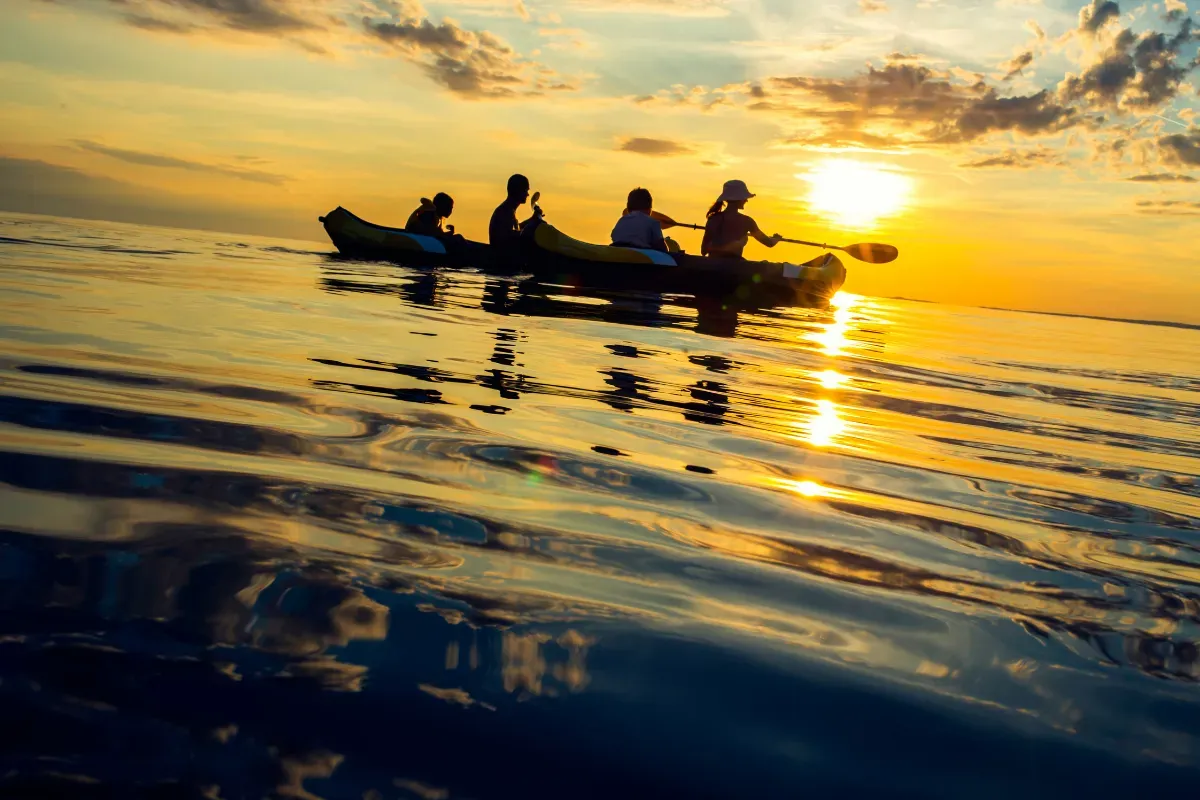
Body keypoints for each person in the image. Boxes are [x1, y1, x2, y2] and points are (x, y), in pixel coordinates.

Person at [701, 179, 781, 259]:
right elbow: (769, 243)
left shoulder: (713, 219)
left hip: (712, 267)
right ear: (739, 199)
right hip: (733, 268)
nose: (746, 200)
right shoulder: (747, 222)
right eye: (744, 198)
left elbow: (703, 251)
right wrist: (776, 238)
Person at [489, 174, 541, 246]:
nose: (527, 194)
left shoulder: (508, 210)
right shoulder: (505, 212)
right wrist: (530, 230)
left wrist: (532, 219)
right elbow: (510, 236)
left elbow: (516, 229)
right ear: (518, 190)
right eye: (525, 190)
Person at [610, 187, 667, 252]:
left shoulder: (621, 221)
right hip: (640, 256)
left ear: (628, 208)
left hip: (618, 253)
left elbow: (614, 236)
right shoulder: (653, 222)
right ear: (650, 208)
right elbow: (663, 249)